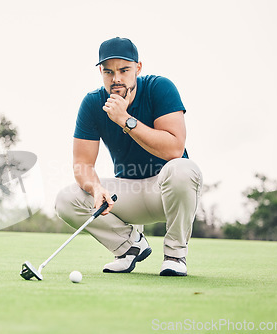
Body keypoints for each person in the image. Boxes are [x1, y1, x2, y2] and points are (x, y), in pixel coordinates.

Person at [55, 37, 203, 276]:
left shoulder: (159, 87)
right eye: (108, 72)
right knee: (67, 198)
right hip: (129, 194)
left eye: (124, 70)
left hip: (168, 191)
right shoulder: (93, 103)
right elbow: (82, 164)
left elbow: (174, 148)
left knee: (183, 169)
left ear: (138, 68)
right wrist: (95, 188)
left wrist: (124, 119)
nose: (116, 79)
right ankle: (130, 246)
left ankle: (175, 255)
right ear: (101, 72)